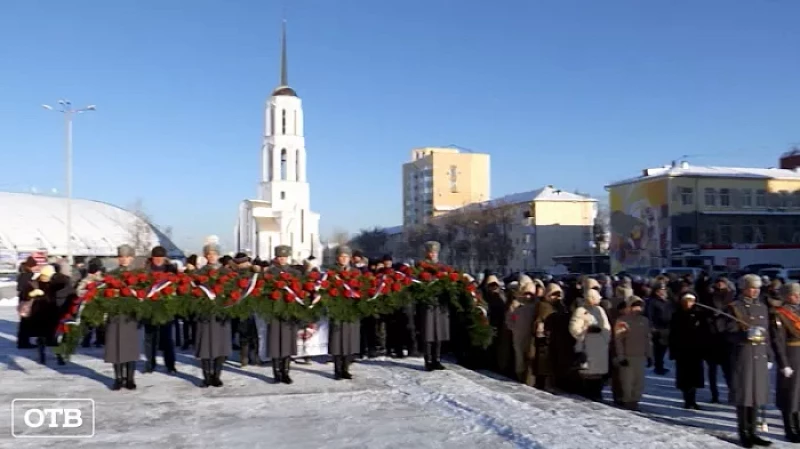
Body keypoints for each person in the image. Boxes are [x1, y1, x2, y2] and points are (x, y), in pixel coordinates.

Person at [728, 274, 772, 448]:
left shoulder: (762, 307)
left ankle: (754, 432)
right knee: (744, 395)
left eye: (757, 288)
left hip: (760, 354)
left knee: (756, 395)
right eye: (751, 288)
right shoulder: (735, 307)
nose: (754, 291)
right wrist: (744, 335)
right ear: (743, 288)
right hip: (744, 354)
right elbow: (726, 333)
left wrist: (769, 355)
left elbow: (767, 334)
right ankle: (744, 432)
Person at [194, 242, 231, 388]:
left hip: (221, 315)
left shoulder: (226, 273)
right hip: (205, 315)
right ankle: (206, 376)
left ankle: (216, 375)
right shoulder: (199, 273)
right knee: (205, 345)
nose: (211, 256)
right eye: (209, 254)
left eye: (214, 254)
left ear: (218, 255)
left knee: (220, 346)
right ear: (205, 256)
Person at [105, 244, 141, 390]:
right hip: (115, 315)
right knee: (115, 347)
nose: (124, 259)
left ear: (131, 258)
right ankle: (118, 378)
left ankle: (130, 378)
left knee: (129, 347)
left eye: (127, 256)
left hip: (130, 316)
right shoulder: (112, 274)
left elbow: (142, 294)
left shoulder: (138, 275)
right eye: (121, 257)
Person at [770, 282, 800, 443]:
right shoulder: (780, 314)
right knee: (789, 394)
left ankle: (798, 426)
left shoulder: (798, 310)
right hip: (791, 356)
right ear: (787, 296)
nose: (798, 297)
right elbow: (778, 341)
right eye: (795, 295)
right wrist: (784, 363)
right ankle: (789, 429)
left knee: (798, 395)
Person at [267, 245, 301, 384]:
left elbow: (299, 291)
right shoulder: (270, 273)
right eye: (280, 257)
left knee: (287, 343)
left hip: (289, 312)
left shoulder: (295, 273)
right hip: (274, 312)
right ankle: (276, 372)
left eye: (284, 257)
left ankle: (286, 372)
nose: (282, 259)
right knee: (275, 342)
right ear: (276, 257)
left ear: (288, 258)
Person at [612, 296, 652, 411]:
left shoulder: (644, 321)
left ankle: (635, 400)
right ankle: (627, 401)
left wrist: (649, 355)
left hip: (640, 356)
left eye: (639, 306)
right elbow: (618, 340)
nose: (637, 309)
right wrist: (621, 356)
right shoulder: (622, 321)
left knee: (639, 381)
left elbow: (647, 339)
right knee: (627, 381)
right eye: (635, 306)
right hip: (628, 356)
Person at [143, 246, 178, 374]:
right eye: (156, 257)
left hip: (165, 307)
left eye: (160, 257)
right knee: (149, 337)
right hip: (150, 306)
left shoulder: (171, 269)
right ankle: (150, 364)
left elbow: (177, 285)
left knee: (167, 338)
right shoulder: (146, 269)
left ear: (164, 258)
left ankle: (170, 365)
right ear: (152, 258)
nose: (158, 260)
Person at [328, 246, 361, 380]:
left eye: (346, 256)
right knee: (337, 340)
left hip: (351, 310)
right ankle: (337, 369)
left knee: (349, 339)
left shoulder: (356, 272)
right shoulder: (331, 272)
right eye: (341, 256)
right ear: (337, 258)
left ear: (350, 258)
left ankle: (346, 369)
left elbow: (362, 289)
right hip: (337, 309)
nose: (343, 259)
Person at [669, 293, 706, 410]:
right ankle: (687, 400)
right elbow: (673, 334)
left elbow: (704, 332)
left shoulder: (699, 315)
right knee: (684, 377)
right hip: (682, 351)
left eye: (691, 301)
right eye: (686, 301)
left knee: (694, 377)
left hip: (695, 350)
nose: (688, 303)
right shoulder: (677, 315)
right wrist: (673, 350)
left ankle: (693, 400)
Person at [418, 241, 450, 371]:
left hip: (440, 303)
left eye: (435, 252)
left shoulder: (442, 267)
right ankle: (428, 360)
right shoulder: (421, 266)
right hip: (428, 303)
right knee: (428, 332)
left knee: (439, 332)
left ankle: (437, 359)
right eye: (430, 252)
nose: (432, 254)